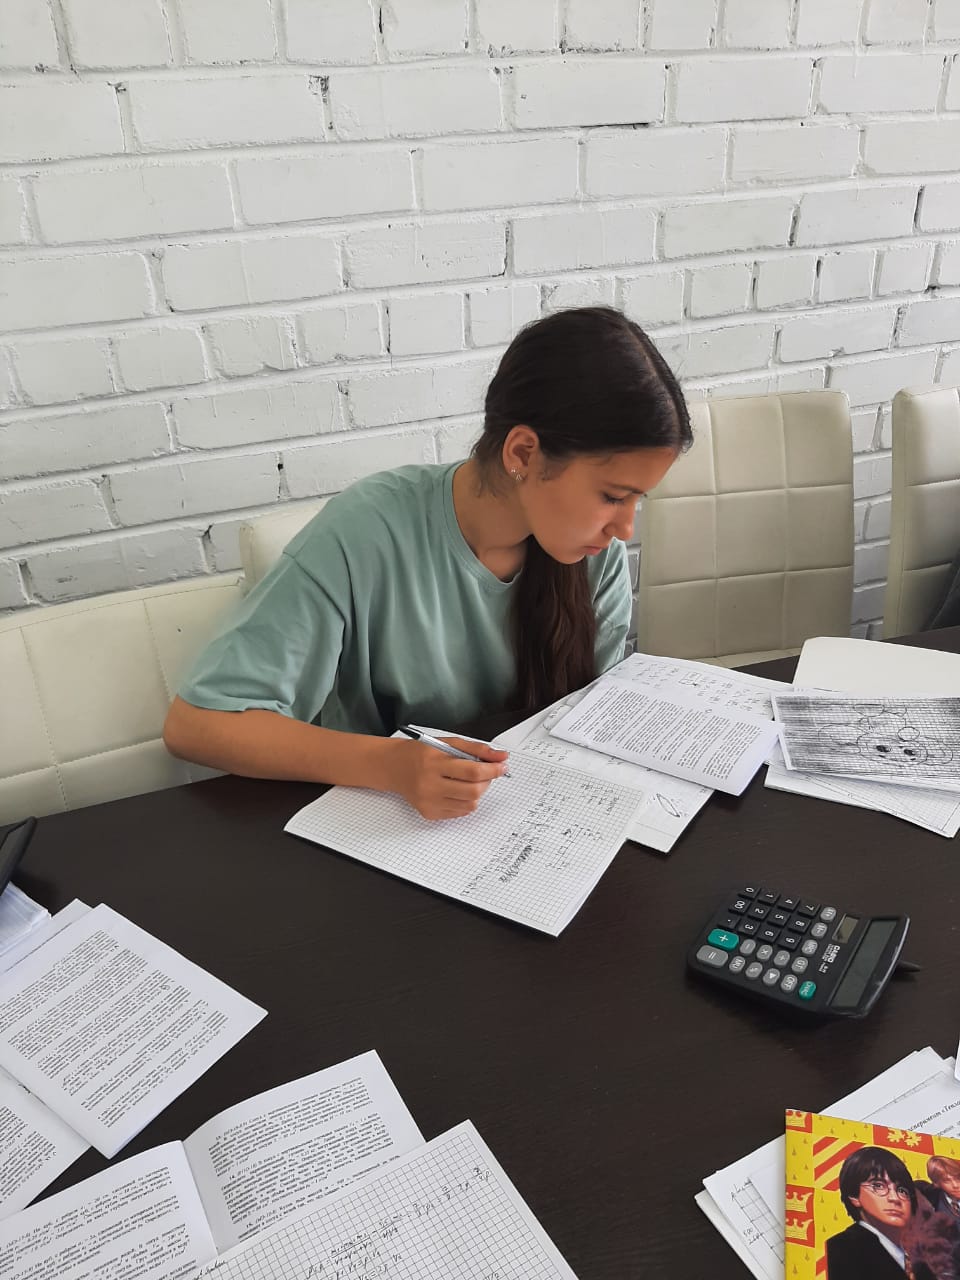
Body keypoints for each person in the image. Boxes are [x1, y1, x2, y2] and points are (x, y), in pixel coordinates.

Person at [163, 306, 691, 819]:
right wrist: (391, 764)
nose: (626, 529)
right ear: (523, 454)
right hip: (377, 827)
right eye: (613, 496)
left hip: (522, 821)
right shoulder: (368, 531)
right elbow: (198, 725)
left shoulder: (594, 554)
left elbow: (588, 719)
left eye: (637, 500)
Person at [827, 1146, 934, 1280]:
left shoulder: (922, 1261)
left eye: (902, 1190)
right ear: (854, 1196)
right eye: (878, 1185)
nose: (895, 1198)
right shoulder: (840, 1249)